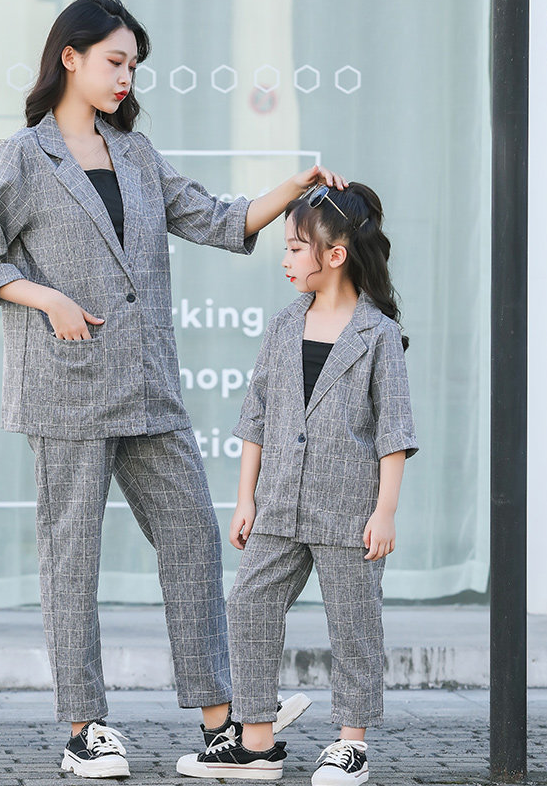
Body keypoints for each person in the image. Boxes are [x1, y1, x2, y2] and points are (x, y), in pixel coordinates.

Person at [0, 0, 345, 780]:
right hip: (66, 387)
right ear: (70, 57)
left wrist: (295, 186)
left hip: (147, 386)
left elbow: (217, 218)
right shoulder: (25, 156)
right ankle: (84, 728)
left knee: (192, 538)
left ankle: (220, 724)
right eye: (114, 61)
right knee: (72, 556)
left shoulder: (134, 153)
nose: (125, 77)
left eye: (133, 65)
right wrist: (49, 298)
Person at [176, 182, 418, 783]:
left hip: (349, 509)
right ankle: (257, 743)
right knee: (249, 604)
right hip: (278, 504)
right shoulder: (284, 325)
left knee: (354, 623)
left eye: (293, 248)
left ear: (334, 255)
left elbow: (394, 431)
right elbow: (255, 417)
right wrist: (245, 499)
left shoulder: (378, 335)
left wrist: (385, 510)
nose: (283, 259)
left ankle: (351, 742)